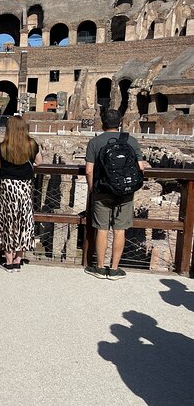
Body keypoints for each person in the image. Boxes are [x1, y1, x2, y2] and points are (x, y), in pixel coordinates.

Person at [84, 109, 148, 280]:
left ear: (102, 123)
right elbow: (141, 168)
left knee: (102, 229)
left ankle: (99, 267)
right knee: (120, 230)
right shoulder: (131, 141)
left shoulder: (95, 142)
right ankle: (114, 269)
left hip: (102, 190)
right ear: (120, 123)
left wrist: (92, 190)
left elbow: (89, 171)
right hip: (125, 191)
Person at [0, 115, 43, 273]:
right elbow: (39, 161)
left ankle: (9, 261)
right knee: (23, 221)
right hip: (25, 187)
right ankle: (18, 259)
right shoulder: (32, 144)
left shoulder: (4, 146)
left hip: (8, 187)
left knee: (8, 222)